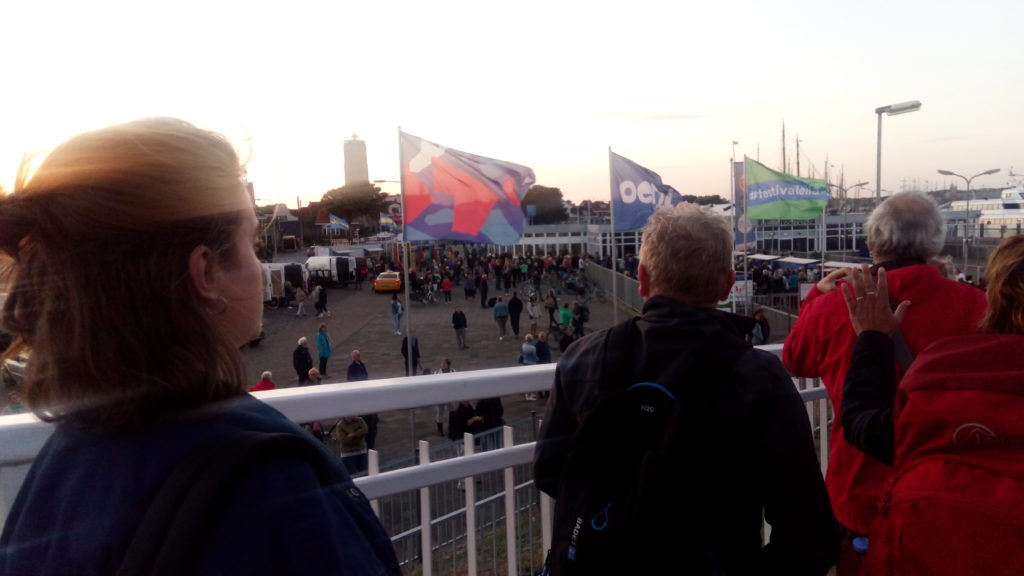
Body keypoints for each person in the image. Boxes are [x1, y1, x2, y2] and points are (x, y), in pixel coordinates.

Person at [0, 118, 400, 574]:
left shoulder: (64, 459)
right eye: (250, 242)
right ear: (206, 272)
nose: (257, 264)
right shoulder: (267, 487)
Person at [534, 203, 839, 574]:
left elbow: (550, 471)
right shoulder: (758, 375)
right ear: (728, 285)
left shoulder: (583, 356)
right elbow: (809, 531)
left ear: (643, 280)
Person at [783, 190, 987, 573]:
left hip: (860, 494)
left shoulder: (833, 306)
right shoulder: (976, 306)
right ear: (934, 243)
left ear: (872, 243)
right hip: (949, 488)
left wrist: (814, 299)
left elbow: (796, 358)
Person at [839, 236, 1024, 574]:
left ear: (996, 296)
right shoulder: (959, 306)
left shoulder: (942, 371)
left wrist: (872, 338)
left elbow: (861, 421)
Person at [345, 350, 379, 452]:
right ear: (353, 357)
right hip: (357, 388)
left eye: (359, 355)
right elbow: (349, 378)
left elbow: (365, 374)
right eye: (357, 355)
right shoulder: (351, 367)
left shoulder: (362, 364)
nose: (359, 356)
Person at [433, 358, 457, 436]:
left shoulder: (454, 372)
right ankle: (439, 429)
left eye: (444, 364)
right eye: (441, 363)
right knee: (440, 412)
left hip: (450, 395)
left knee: (452, 411)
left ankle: (452, 427)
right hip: (440, 396)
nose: (442, 365)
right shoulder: (436, 372)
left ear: (448, 365)